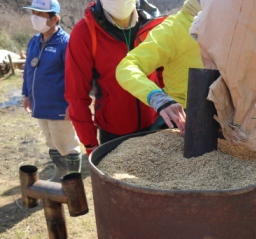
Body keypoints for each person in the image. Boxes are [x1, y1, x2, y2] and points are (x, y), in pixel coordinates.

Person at [65, 0, 162, 156]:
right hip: (114, 131)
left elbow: (165, 71)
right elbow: (76, 94)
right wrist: (90, 145)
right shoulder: (85, 32)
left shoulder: (155, 23)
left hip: (155, 123)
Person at [115, 0, 203, 133]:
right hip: (182, 118)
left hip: (230, 121)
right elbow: (127, 66)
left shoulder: (236, 26)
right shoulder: (174, 28)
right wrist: (157, 97)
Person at [22, 0, 81, 182]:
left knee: (67, 143)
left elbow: (74, 77)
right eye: (33, 13)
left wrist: (72, 104)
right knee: (50, 140)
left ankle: (73, 180)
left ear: (54, 18)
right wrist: (26, 94)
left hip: (59, 106)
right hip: (40, 104)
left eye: (40, 14)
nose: (35, 18)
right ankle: (60, 172)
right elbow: (28, 70)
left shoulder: (66, 43)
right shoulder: (34, 41)